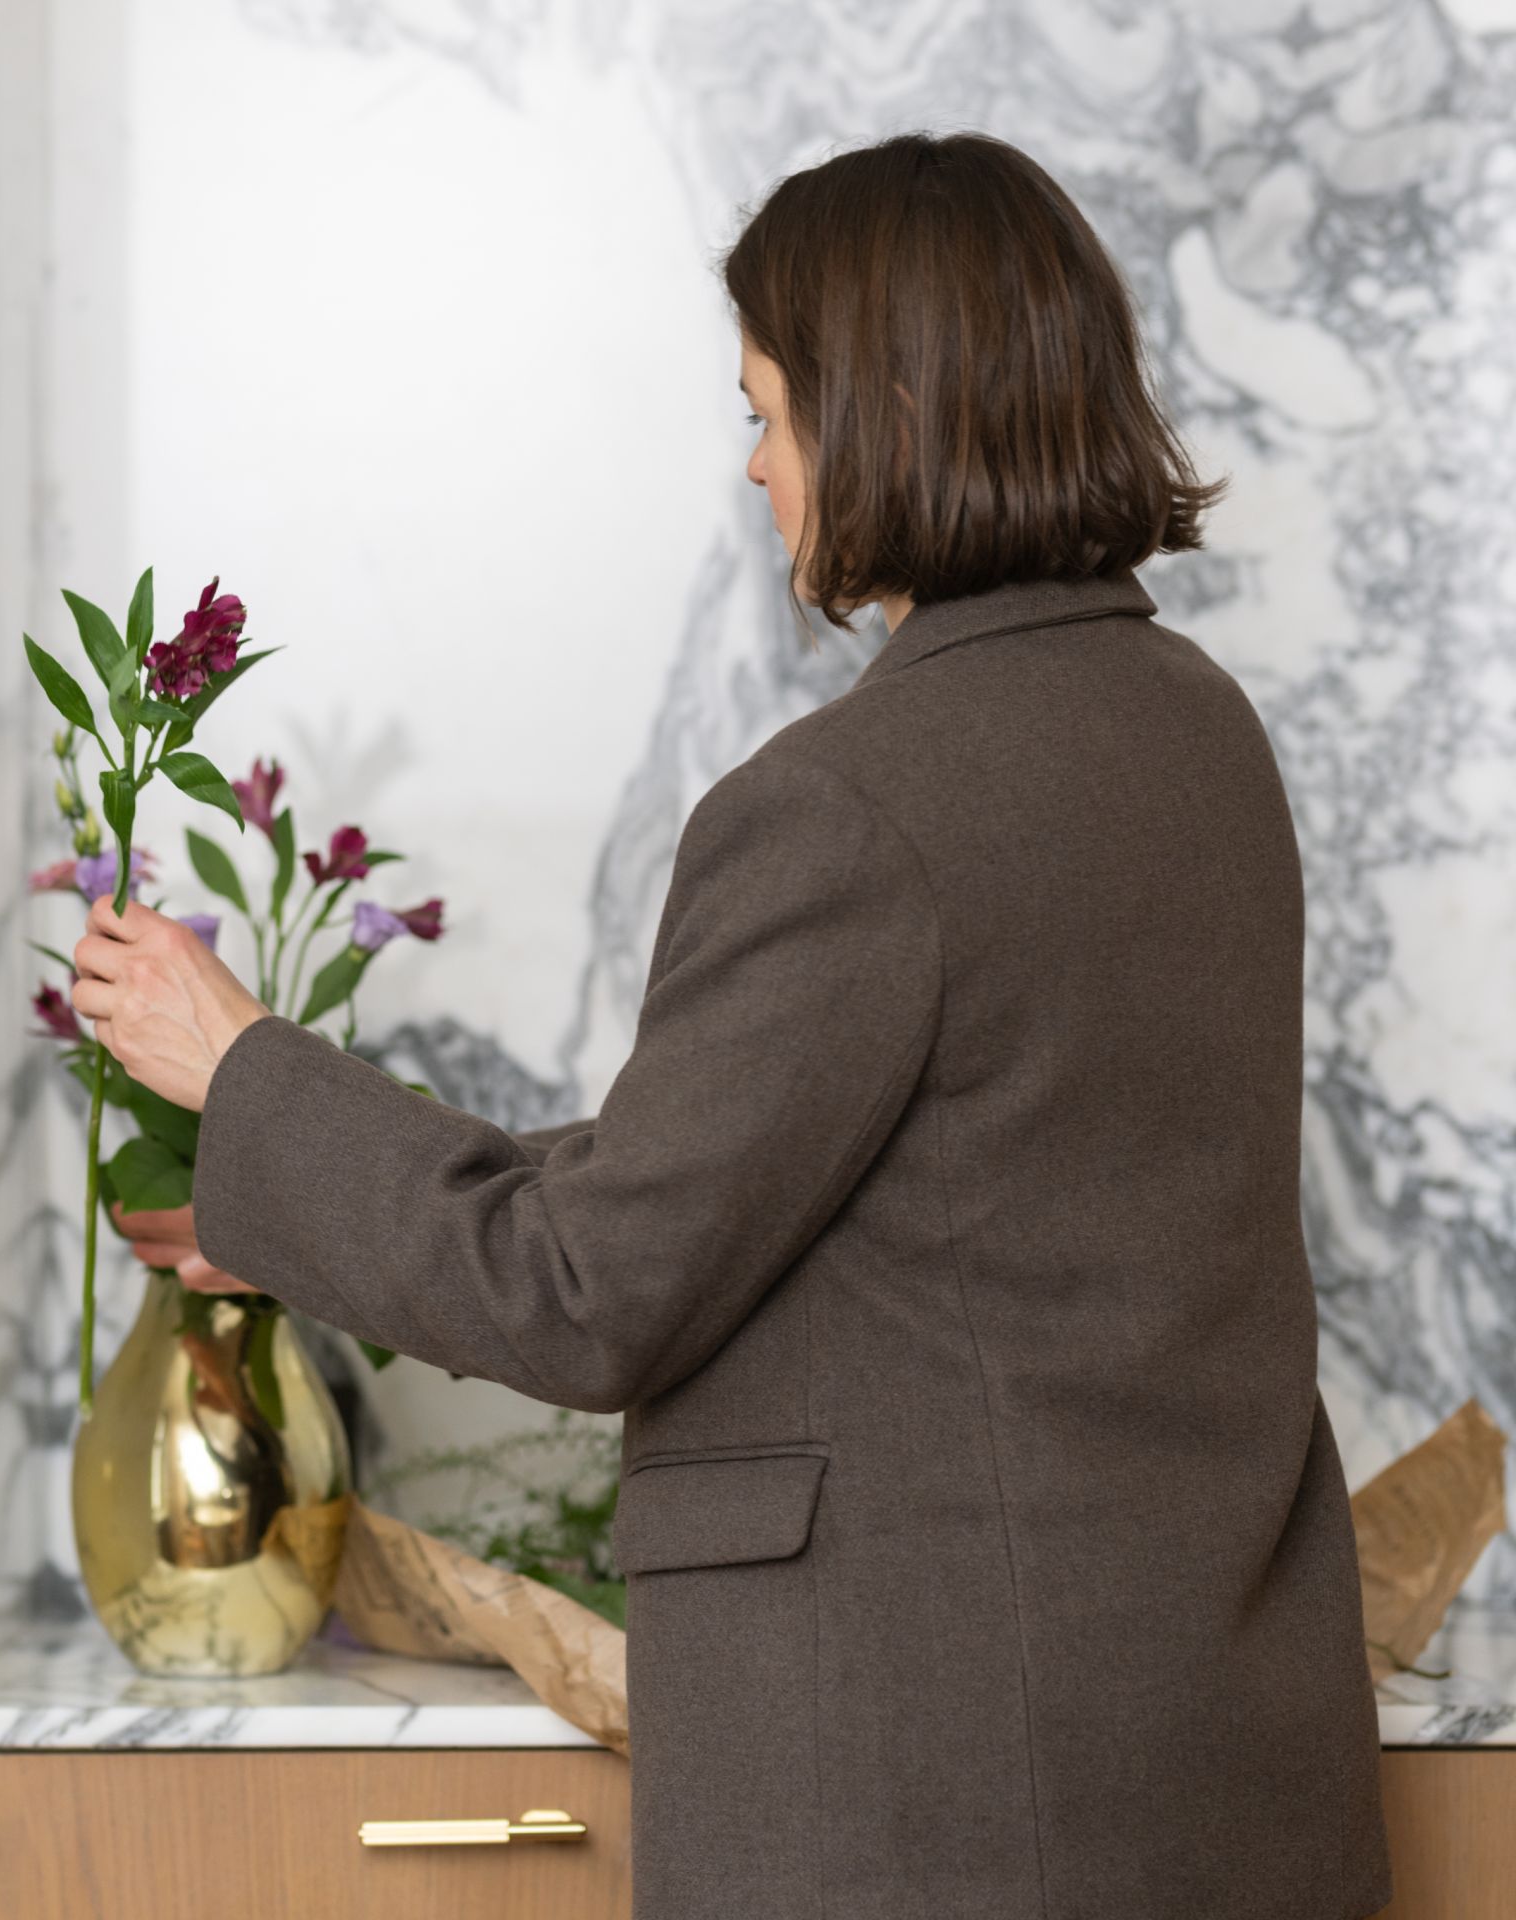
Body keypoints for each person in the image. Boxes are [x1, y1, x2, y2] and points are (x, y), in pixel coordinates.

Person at [70, 130, 1393, 1920]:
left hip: (940, 1805)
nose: (756, 467)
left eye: (768, 410)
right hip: (1213, 1767)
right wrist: (275, 1183)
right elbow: (852, 1178)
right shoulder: (1202, 742)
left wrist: (240, 1071)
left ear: (890, 412)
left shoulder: (849, 804)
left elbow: (595, 1285)